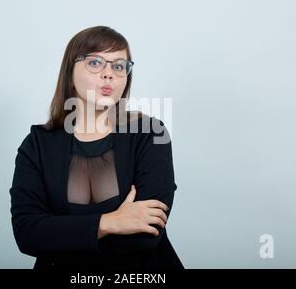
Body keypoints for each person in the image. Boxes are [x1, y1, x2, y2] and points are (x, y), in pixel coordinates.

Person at [9, 26, 184, 269]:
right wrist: (110, 222)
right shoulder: (37, 144)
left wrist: (61, 235)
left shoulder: (150, 133)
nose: (108, 74)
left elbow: (146, 233)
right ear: (70, 73)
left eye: (119, 66)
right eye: (95, 63)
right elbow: (28, 234)